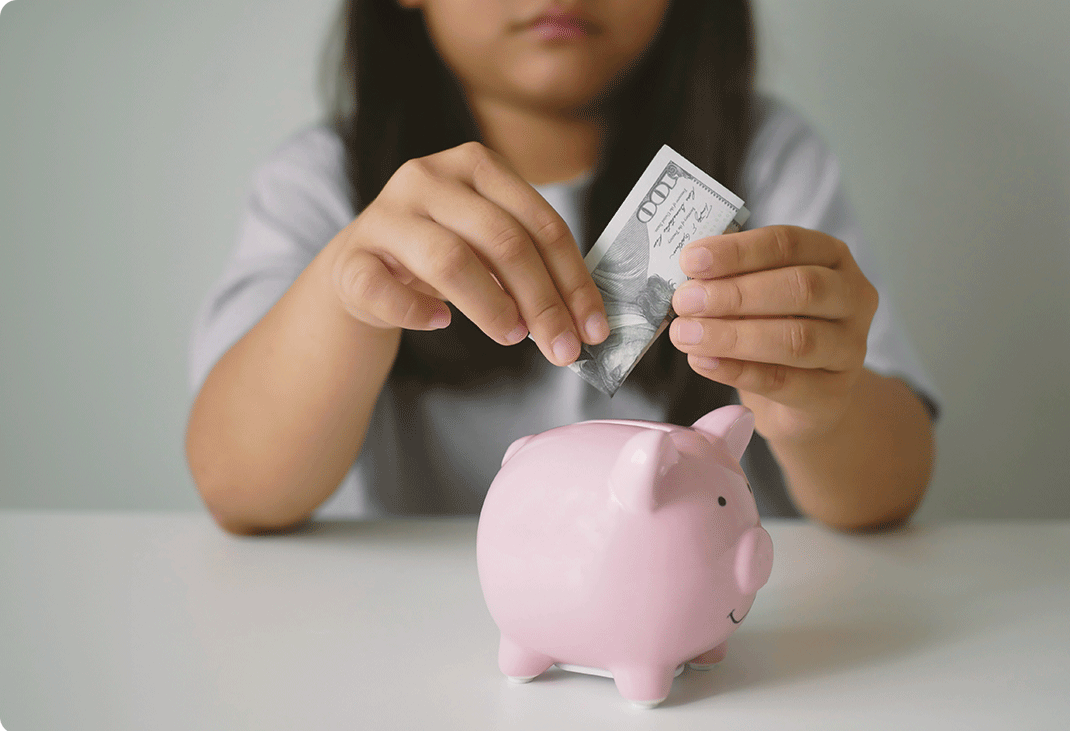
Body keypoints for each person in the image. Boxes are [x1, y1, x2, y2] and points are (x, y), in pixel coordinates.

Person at [185, 0, 939, 535]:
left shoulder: (766, 158)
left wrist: (815, 411)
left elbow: (888, 491)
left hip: (704, 624)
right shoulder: (327, 182)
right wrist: (347, 295)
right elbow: (237, 486)